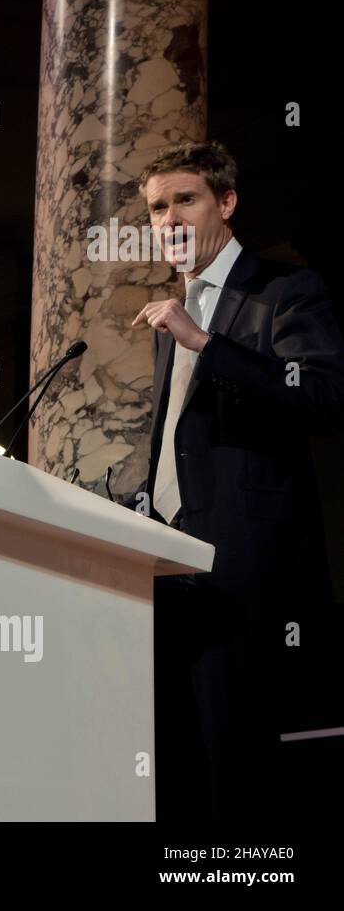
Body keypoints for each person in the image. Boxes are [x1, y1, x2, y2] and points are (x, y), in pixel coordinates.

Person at [130, 140, 344, 819]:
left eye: (185, 200)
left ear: (225, 202)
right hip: (171, 578)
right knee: (180, 775)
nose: (169, 219)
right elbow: (183, 448)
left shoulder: (283, 290)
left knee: (240, 778)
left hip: (246, 583)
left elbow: (322, 397)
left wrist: (204, 343)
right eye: (157, 208)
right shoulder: (176, 314)